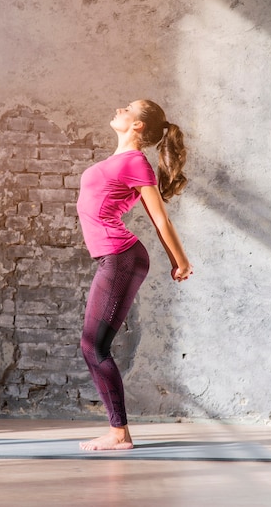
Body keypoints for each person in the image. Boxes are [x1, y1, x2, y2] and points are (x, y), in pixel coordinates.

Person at [76, 99, 193, 451]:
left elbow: (161, 218)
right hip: (114, 257)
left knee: (94, 346)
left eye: (127, 108)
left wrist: (181, 261)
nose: (119, 109)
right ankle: (118, 432)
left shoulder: (136, 162)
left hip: (121, 257)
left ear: (138, 125)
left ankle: (119, 434)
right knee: (93, 345)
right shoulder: (120, 161)